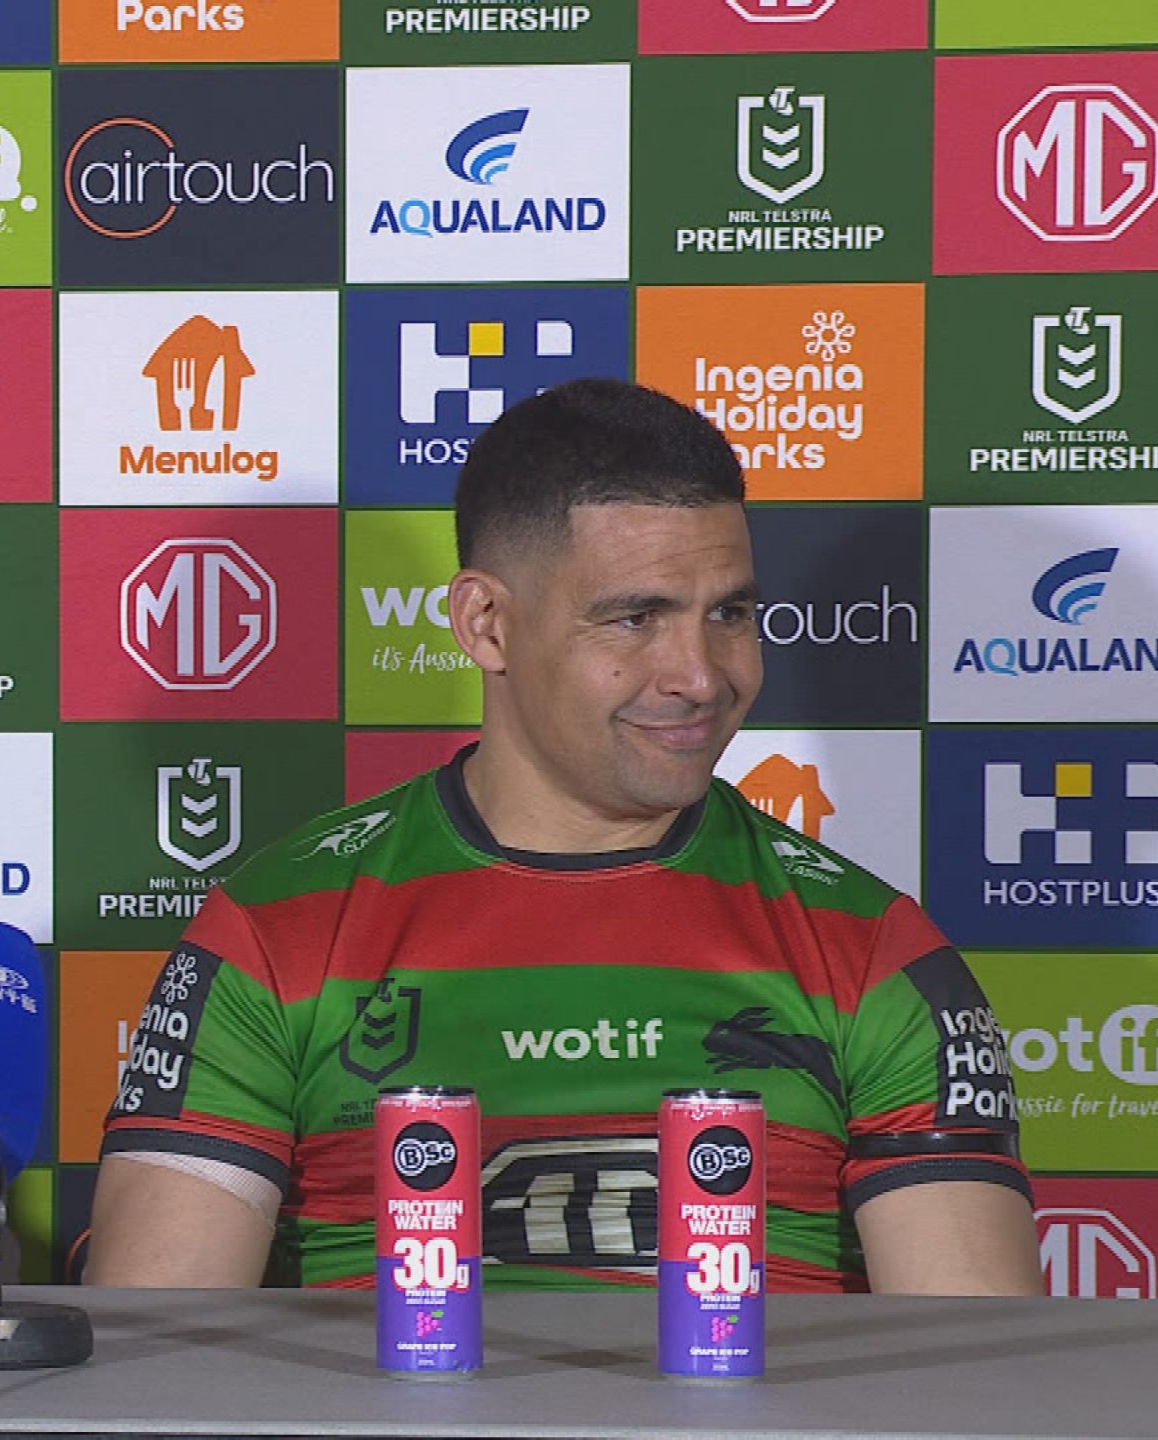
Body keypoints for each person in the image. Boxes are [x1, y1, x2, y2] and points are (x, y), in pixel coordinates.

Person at [85, 378, 1037, 1295]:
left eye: (730, 615)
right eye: (635, 618)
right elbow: (158, 1357)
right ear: (487, 624)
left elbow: (968, 1387)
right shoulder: (277, 928)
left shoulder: (870, 948)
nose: (700, 676)